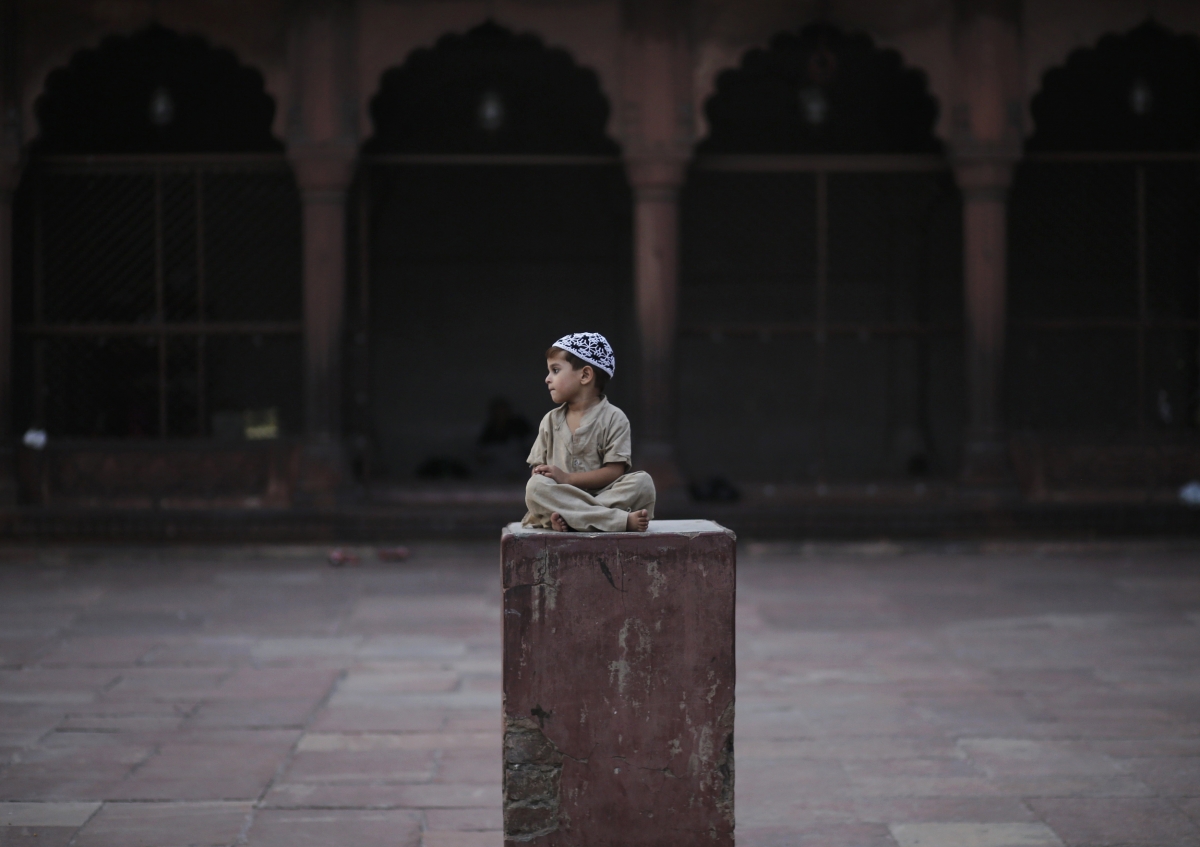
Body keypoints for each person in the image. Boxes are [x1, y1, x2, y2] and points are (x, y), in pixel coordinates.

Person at [522, 333, 656, 532]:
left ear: (585, 375)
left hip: (605, 495)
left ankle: (572, 519)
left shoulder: (615, 418)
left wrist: (567, 478)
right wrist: (541, 472)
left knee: (643, 483)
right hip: (562, 496)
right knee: (535, 487)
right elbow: (539, 468)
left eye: (555, 370)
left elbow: (614, 471)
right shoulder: (550, 420)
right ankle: (616, 520)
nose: (547, 379)